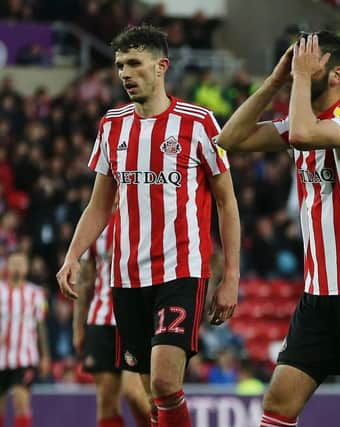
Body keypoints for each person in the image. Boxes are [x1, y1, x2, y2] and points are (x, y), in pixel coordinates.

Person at [217, 31, 340, 427]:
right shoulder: (302, 119)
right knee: (278, 402)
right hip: (318, 295)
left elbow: (306, 136)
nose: (299, 70)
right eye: (296, 63)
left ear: (336, 72)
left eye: (310, 62)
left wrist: (300, 81)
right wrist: (276, 80)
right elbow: (230, 137)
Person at [56, 25, 241, 427]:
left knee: (162, 381)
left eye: (134, 63)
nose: (124, 73)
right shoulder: (112, 125)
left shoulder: (201, 123)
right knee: (149, 393)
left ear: (161, 67)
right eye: (120, 65)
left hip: (181, 271)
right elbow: (99, 204)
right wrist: (73, 255)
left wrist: (231, 277)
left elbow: (227, 203)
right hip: (126, 278)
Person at [73, 213, 151, 427]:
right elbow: (86, 279)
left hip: (135, 318)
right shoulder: (97, 222)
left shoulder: (147, 215)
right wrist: (78, 326)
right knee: (107, 401)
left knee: (135, 393)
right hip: (100, 319)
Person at [0, 252, 50, 427]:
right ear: (7, 266)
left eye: (21, 263)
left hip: (25, 357)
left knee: (21, 402)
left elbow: (41, 326)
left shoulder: (36, 293)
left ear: (27, 267)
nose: (17, 266)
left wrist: (45, 356)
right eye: (13, 263)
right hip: (1, 356)